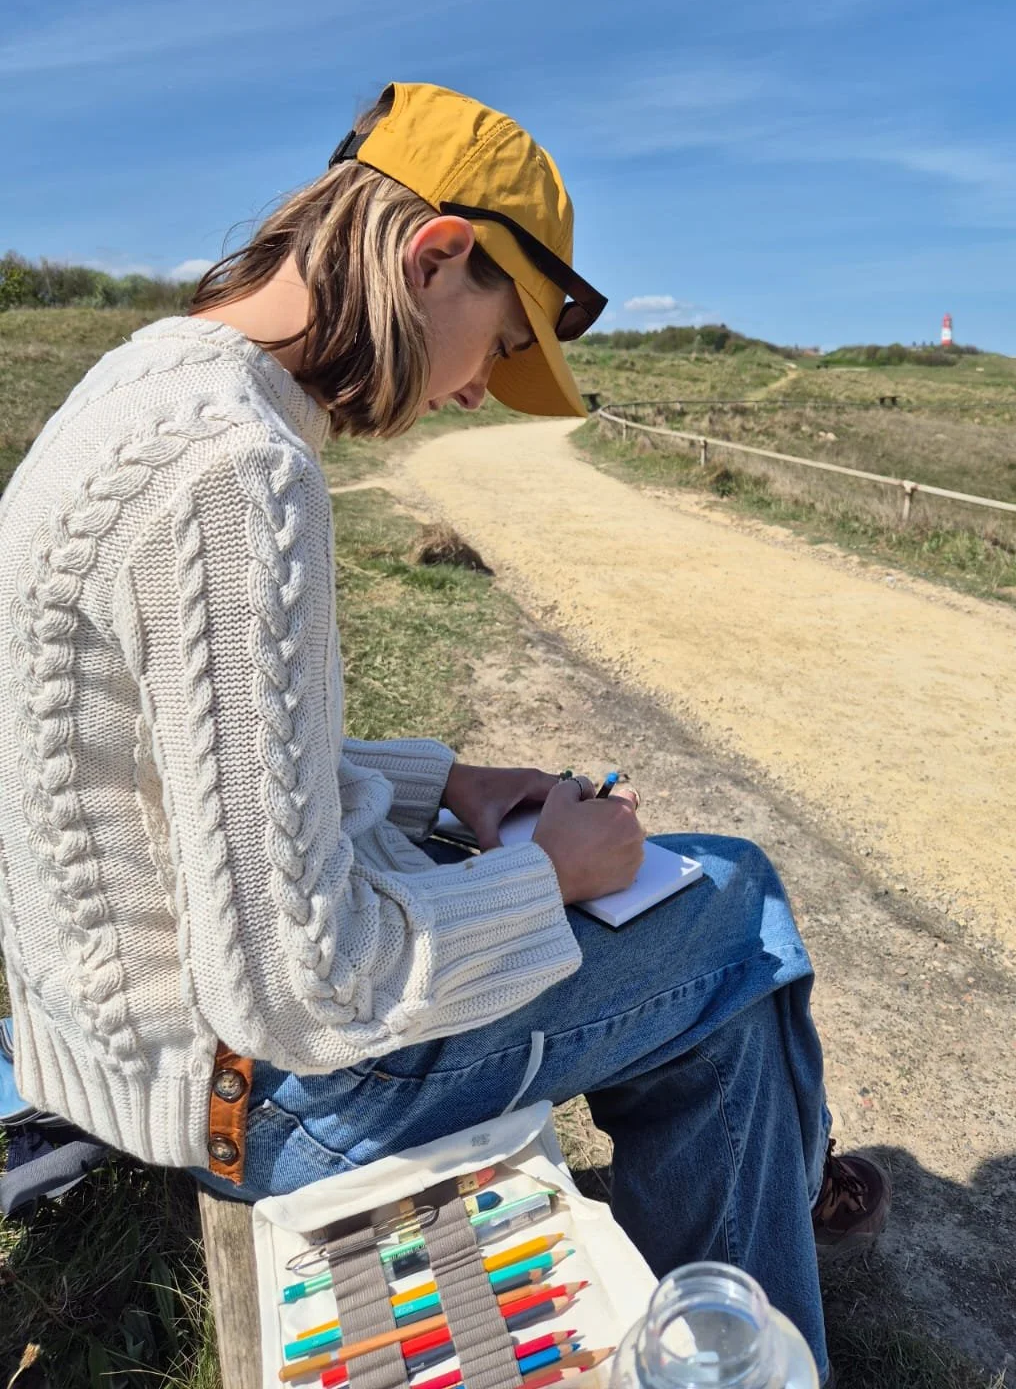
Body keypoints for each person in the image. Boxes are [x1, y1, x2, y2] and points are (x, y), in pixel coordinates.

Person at [0, 82, 888, 1385]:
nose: (478, 394)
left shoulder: (143, 389)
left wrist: (452, 783)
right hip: (261, 1097)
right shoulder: (236, 470)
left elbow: (177, 766)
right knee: (735, 907)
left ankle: (752, 1260)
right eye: (500, 340)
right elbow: (301, 990)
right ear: (435, 256)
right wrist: (553, 875)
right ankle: (748, 1323)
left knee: (713, 988)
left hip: (131, 1038)